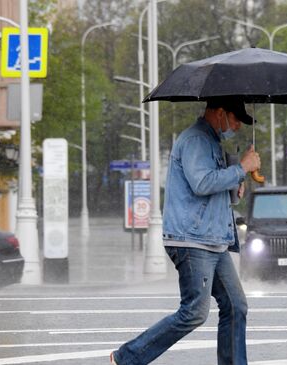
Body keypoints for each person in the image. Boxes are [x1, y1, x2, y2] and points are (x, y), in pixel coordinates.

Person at [111, 98, 261, 365]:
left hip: (213, 240)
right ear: (219, 113)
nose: (238, 126)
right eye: (236, 118)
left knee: (236, 305)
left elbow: (212, 190)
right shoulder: (195, 140)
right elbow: (202, 183)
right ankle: (127, 358)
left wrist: (236, 182)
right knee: (194, 312)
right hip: (192, 240)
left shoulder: (212, 142)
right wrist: (240, 169)